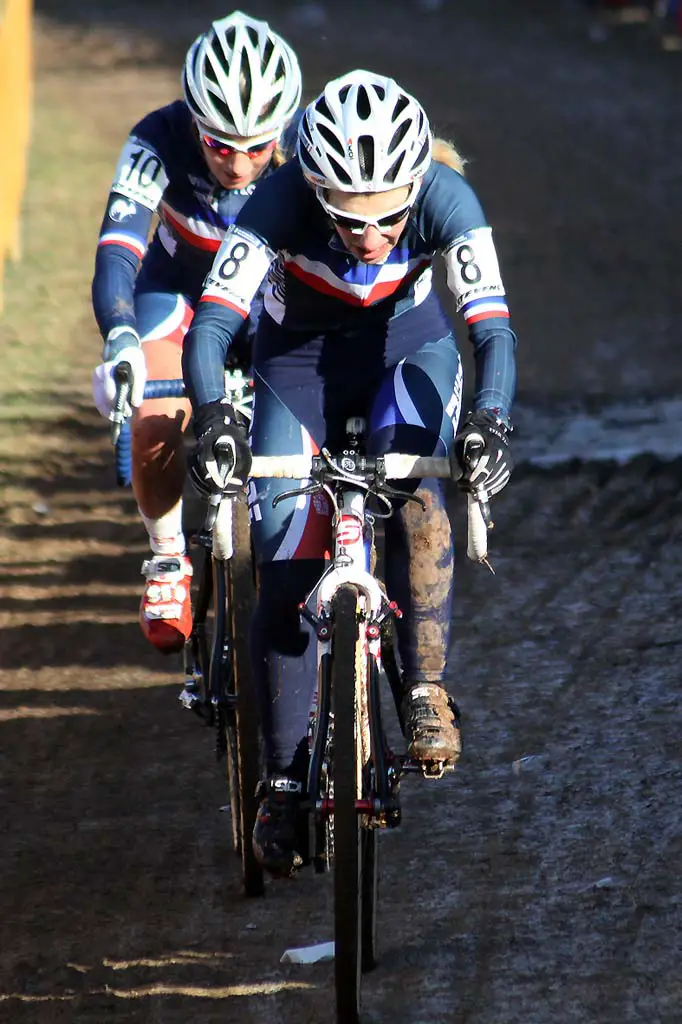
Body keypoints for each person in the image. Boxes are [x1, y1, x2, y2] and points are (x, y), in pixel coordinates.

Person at [182, 70, 518, 876]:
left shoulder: (448, 198)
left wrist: (491, 422)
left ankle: (425, 687)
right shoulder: (279, 201)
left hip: (409, 351)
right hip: (293, 365)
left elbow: (492, 332)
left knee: (420, 495)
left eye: (387, 218)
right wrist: (218, 417)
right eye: (344, 217)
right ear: (313, 189)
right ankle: (282, 779)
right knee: (285, 550)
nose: (368, 237)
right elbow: (211, 326)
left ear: (415, 186)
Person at [90, 11, 302, 653]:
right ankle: (165, 556)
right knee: (155, 414)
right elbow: (120, 251)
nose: (238, 164)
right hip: (179, 293)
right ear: (192, 123)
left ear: (283, 130)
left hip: (268, 300)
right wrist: (121, 335)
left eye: (257, 147)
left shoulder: (310, 142)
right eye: (218, 146)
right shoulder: (155, 139)